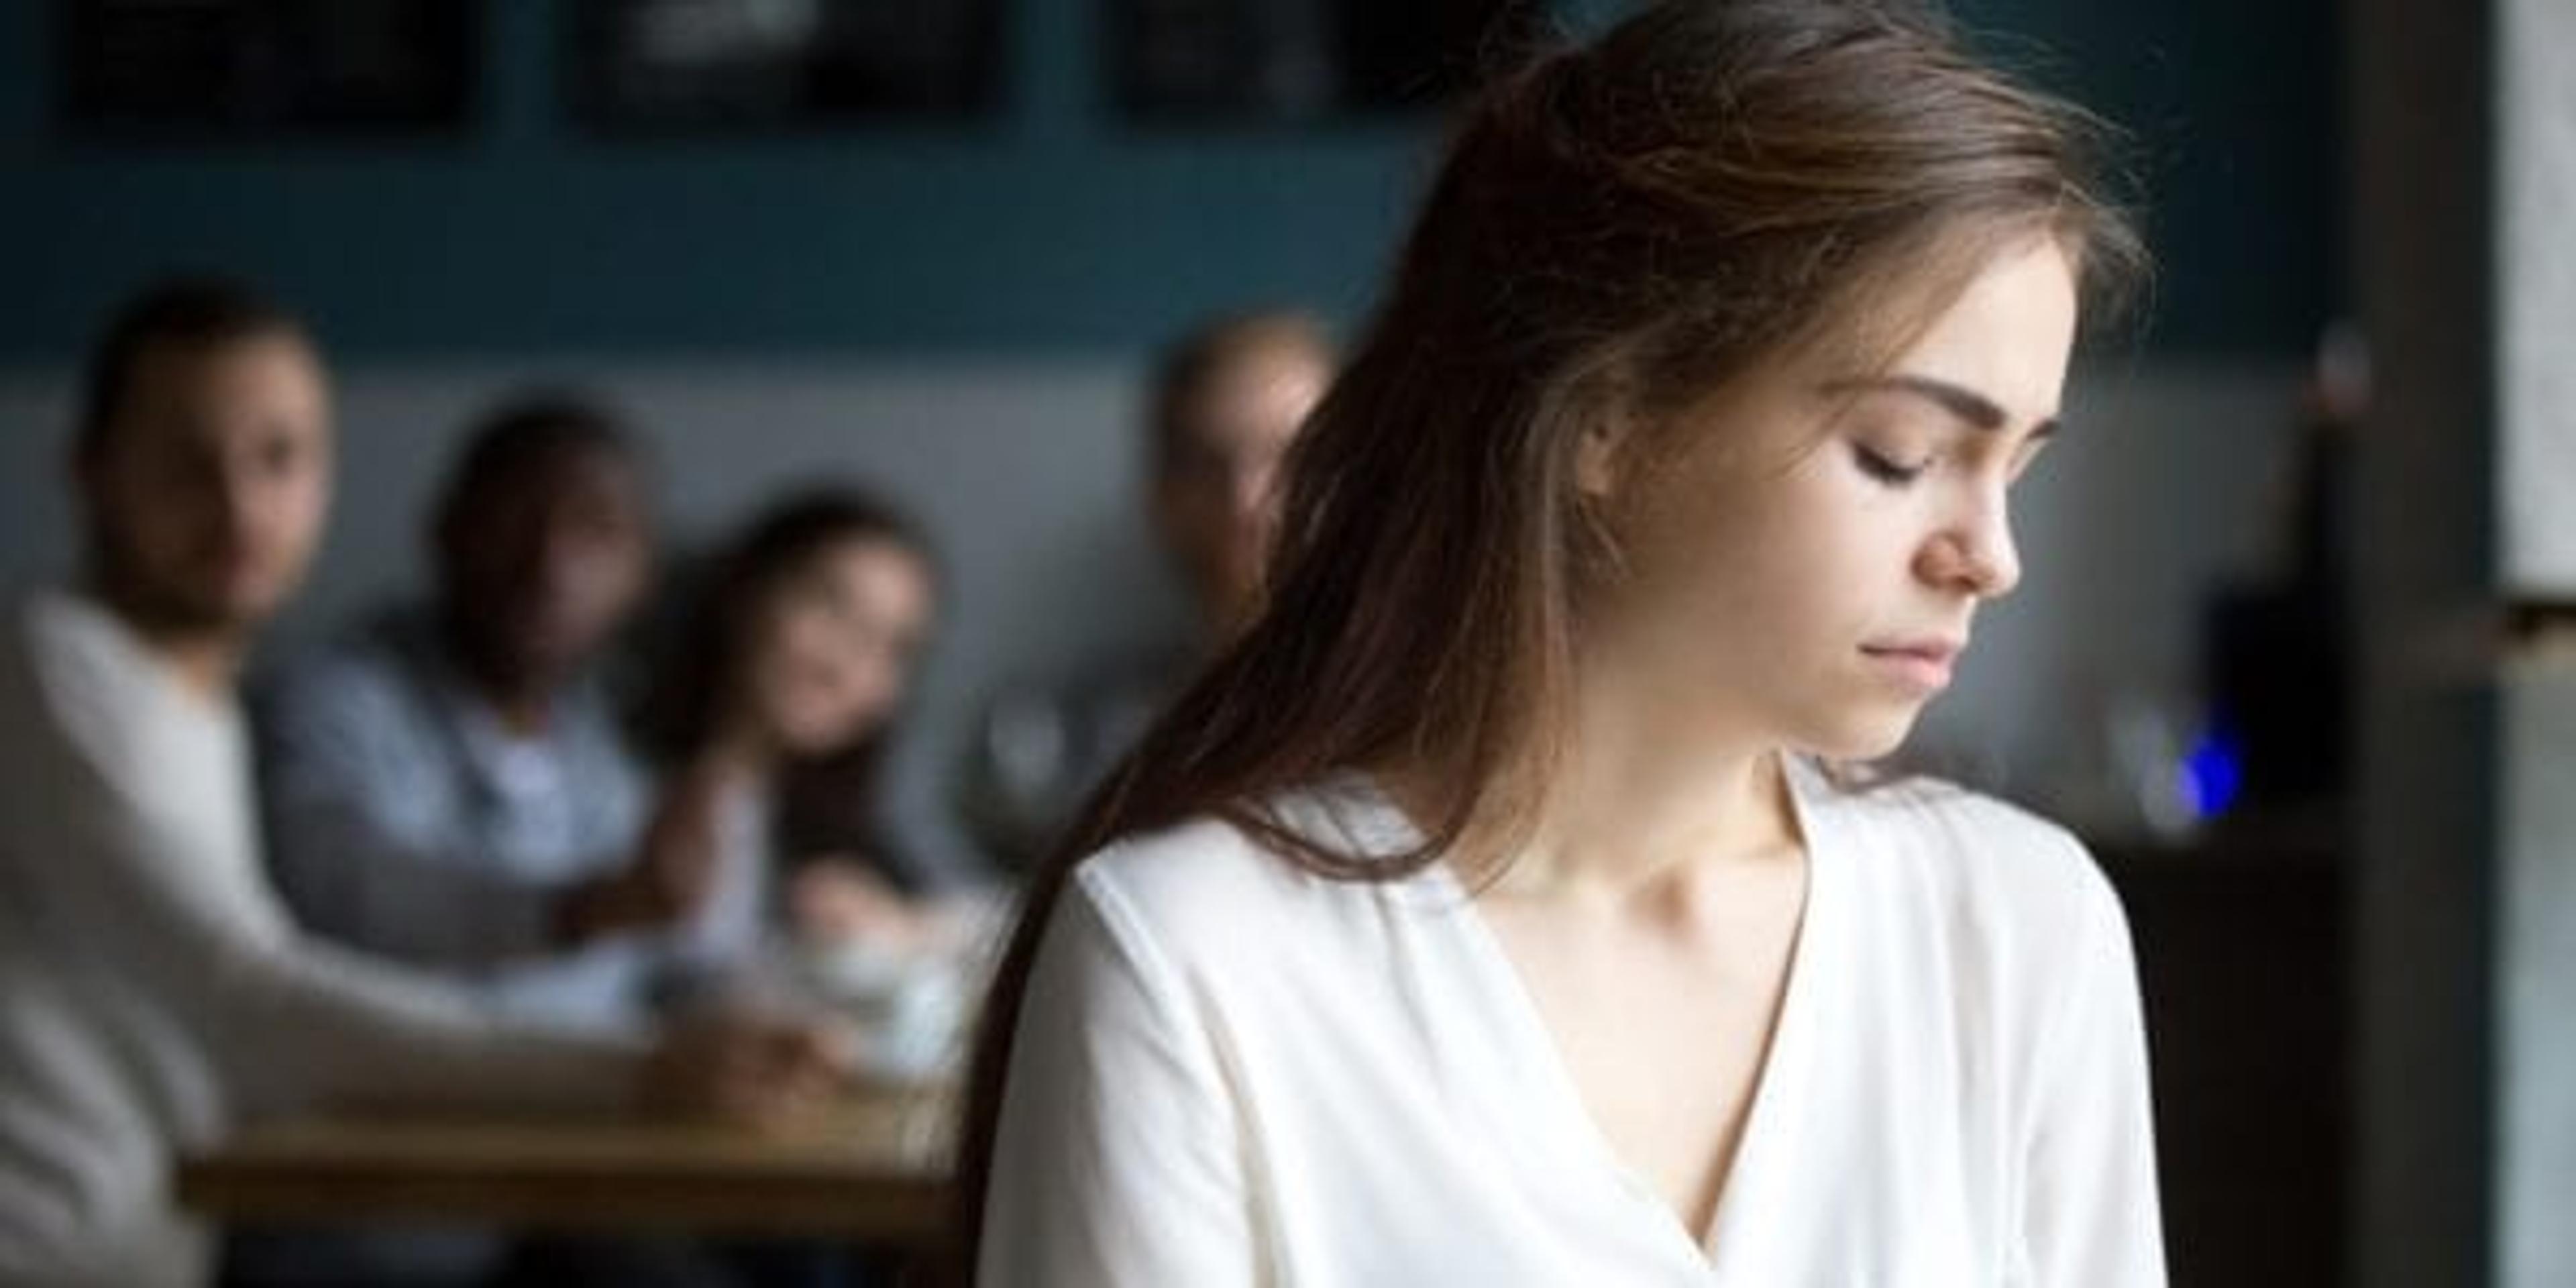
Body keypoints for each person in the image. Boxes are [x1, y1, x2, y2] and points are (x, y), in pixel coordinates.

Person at [960, 2, 2164, 1285]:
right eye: (1902, 456)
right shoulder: (1200, 961)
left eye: (2014, 468)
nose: (1990, 554)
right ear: (1607, 420)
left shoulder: (2018, 928)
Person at [0, 277, 843, 1288]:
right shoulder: (58, 672)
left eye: (279, 458)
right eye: (186, 461)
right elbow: (256, 996)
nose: (238, 506)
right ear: (91, 472)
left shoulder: (192, 698)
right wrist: (638, 1070)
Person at [256, 396, 720, 1037]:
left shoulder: (609, 747)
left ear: (643, 573)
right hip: (379, 1120)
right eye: (516, 516)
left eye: (597, 530)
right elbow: (340, 889)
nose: (550, 566)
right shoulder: (334, 699)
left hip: (593, 1124)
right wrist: (584, 910)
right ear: (445, 527)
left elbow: (677, 972)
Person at [962, 311, 1335, 870]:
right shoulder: (1087, 734)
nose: (1247, 500)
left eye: (1287, 454)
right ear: (1160, 495)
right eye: (1207, 463)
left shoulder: (1425, 716)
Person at [637, 488, 979, 997]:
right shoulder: (613, 784)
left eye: (891, 647)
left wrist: (905, 930)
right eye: (831, 607)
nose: (844, 666)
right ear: (746, 592)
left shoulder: (854, 837)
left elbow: (998, 922)